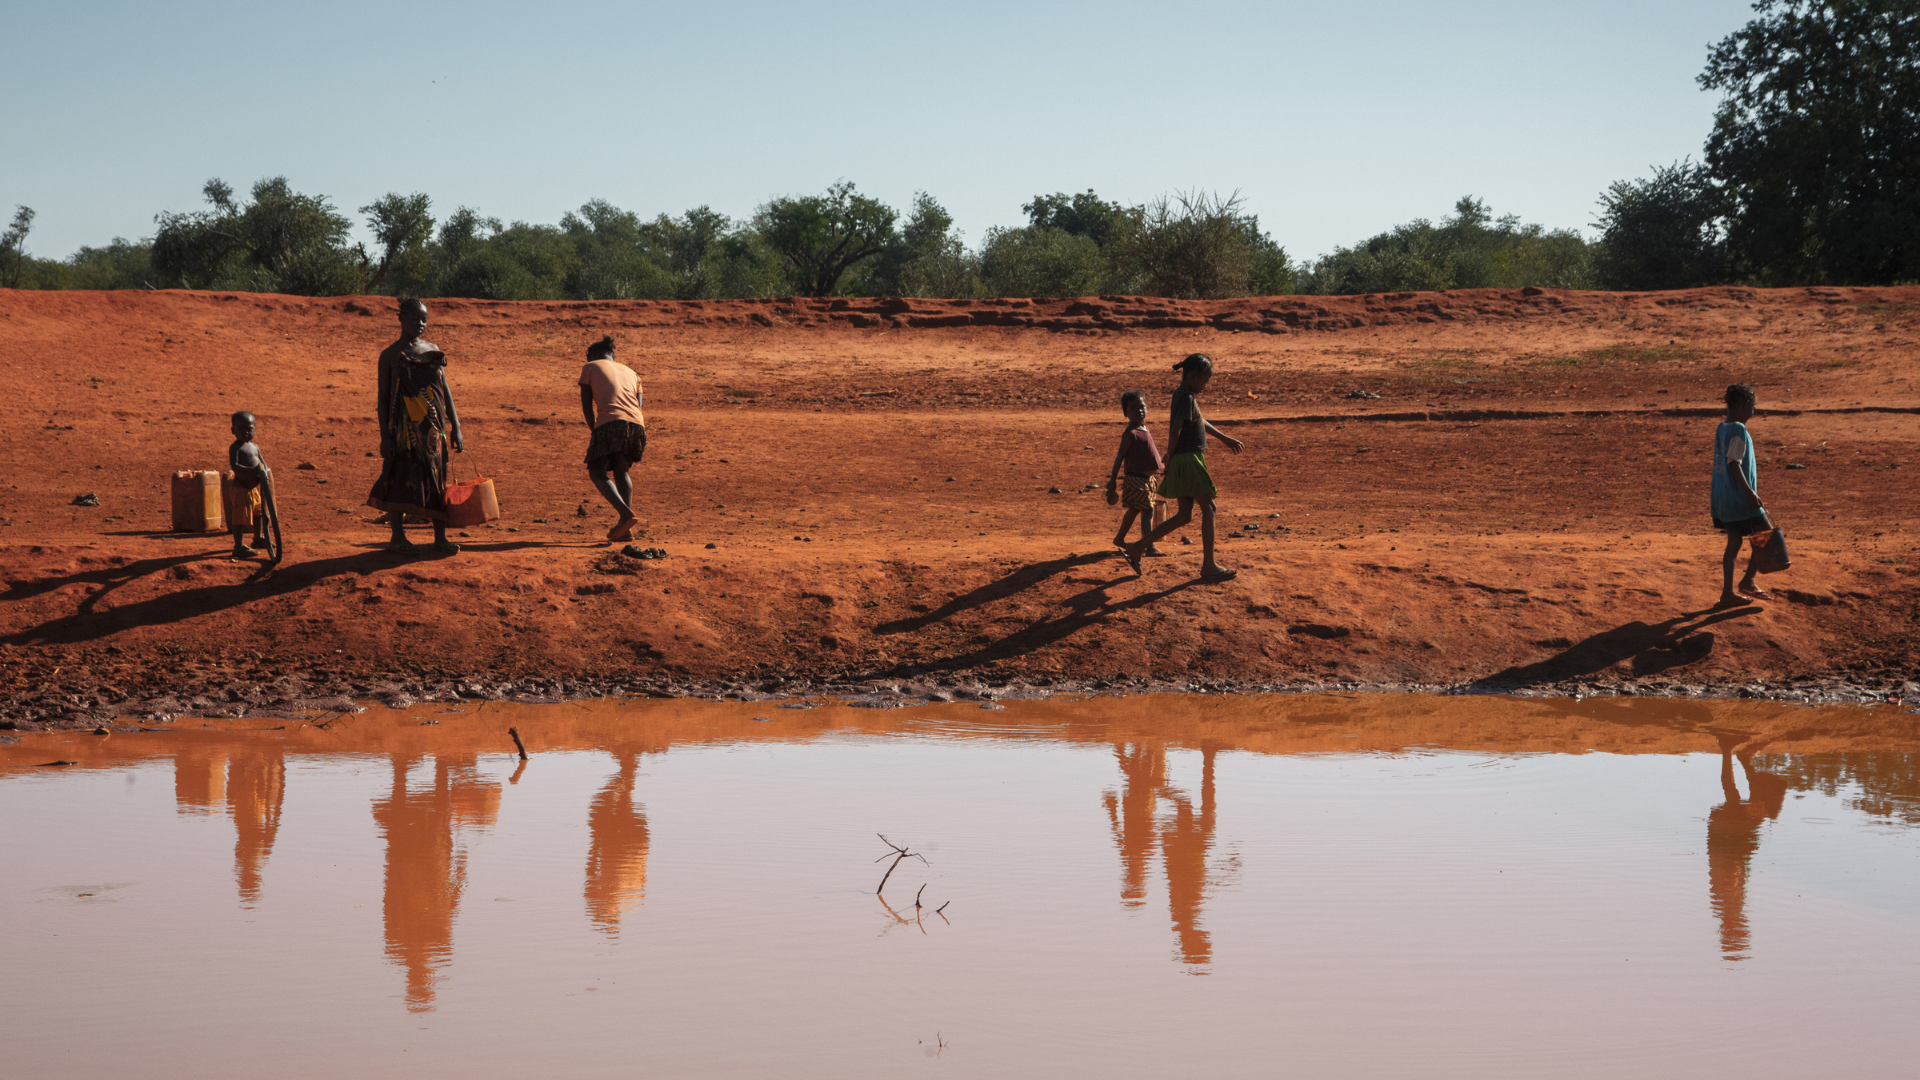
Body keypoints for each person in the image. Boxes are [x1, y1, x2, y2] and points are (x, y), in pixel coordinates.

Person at [1124, 354, 1244, 580]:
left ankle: (1138, 546)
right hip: (1188, 459)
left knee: (1185, 515)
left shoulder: (1184, 396)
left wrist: (1224, 438)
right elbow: (1175, 430)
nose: (1205, 385)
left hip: (1184, 458)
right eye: (1204, 380)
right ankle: (1208, 566)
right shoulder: (1185, 397)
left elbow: (1199, 420)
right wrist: (1168, 454)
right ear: (1192, 375)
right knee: (1209, 508)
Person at [367, 298, 463, 554]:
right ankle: (397, 536)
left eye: (424, 320)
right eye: (415, 319)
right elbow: (383, 397)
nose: (420, 324)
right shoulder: (389, 355)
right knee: (400, 475)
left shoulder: (432, 349)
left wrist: (456, 425)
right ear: (401, 318)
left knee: (436, 477)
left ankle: (440, 537)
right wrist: (385, 437)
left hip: (434, 427)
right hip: (402, 427)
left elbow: (445, 389)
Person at [578, 335, 647, 542]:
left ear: (593, 355)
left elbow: (587, 404)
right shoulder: (632, 373)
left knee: (597, 473)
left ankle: (625, 514)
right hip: (637, 425)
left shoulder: (590, 367)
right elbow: (639, 405)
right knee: (622, 471)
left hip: (610, 423)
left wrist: (595, 430)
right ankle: (624, 529)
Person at [1712, 382, 1769, 605]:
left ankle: (1727, 593)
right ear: (1745, 405)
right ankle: (1748, 580)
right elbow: (1734, 464)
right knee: (1765, 533)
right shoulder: (1739, 429)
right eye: (1752, 407)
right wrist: (1750, 494)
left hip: (1723, 496)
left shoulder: (1722, 426)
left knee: (1733, 543)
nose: (1753, 412)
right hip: (1739, 497)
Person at [1105, 390, 1166, 558]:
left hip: (1146, 480)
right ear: (1125, 413)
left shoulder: (1143, 428)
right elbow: (1119, 458)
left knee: (1135, 509)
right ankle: (1149, 546)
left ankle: (1120, 538)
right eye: (1133, 408)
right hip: (1136, 480)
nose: (1139, 411)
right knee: (1146, 510)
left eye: (1142, 407)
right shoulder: (1130, 434)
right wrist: (1112, 481)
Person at [226, 410, 274, 559]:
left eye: (249, 429)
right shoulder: (236, 448)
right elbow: (235, 466)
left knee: (259, 514)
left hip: (254, 488)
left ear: (255, 429)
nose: (246, 432)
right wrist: (253, 470)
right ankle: (238, 546)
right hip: (241, 488)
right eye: (241, 429)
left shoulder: (255, 447)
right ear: (233, 430)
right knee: (240, 518)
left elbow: (262, 463)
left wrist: (264, 470)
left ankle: (258, 538)